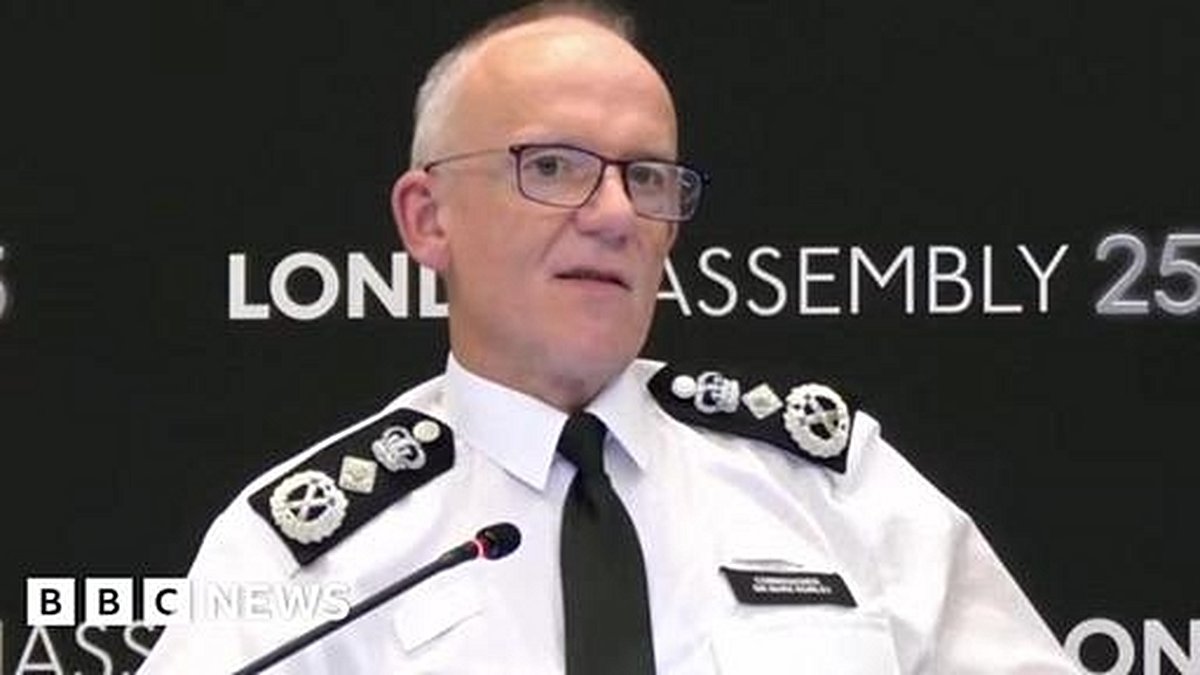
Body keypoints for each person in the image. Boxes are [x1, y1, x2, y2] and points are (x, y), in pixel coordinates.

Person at [141, 2, 1081, 673]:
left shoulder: (829, 487)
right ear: (428, 218)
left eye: (648, 178)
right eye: (553, 166)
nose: (614, 214)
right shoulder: (304, 550)